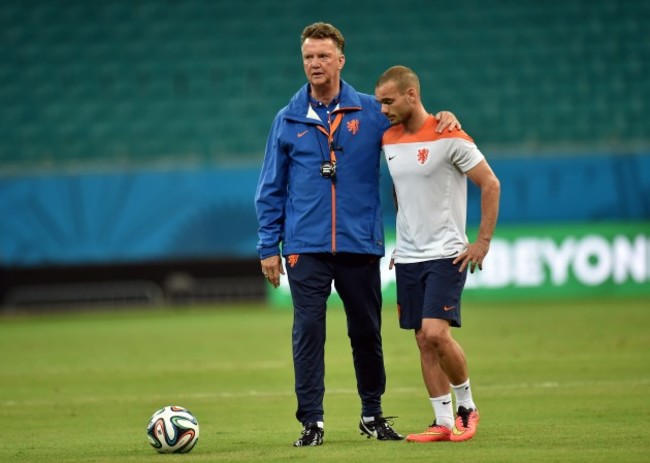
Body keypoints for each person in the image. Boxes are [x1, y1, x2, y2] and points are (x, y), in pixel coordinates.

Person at [254, 23, 462, 447]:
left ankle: (372, 413)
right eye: (309, 56)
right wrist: (267, 247)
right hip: (303, 246)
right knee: (308, 332)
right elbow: (270, 187)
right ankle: (312, 421)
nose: (315, 63)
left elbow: (415, 125)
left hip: (359, 244)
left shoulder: (371, 112)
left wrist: (445, 118)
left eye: (323, 56)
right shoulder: (287, 118)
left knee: (366, 332)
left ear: (340, 60)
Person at [375, 65, 500, 443]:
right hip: (409, 256)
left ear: (411, 95)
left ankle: (467, 408)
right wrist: (403, 236)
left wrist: (481, 242)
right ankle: (442, 423)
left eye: (388, 101)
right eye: (379, 102)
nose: (382, 109)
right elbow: (403, 192)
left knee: (436, 333)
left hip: (447, 253)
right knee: (422, 340)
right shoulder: (388, 139)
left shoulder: (451, 136)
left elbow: (490, 184)